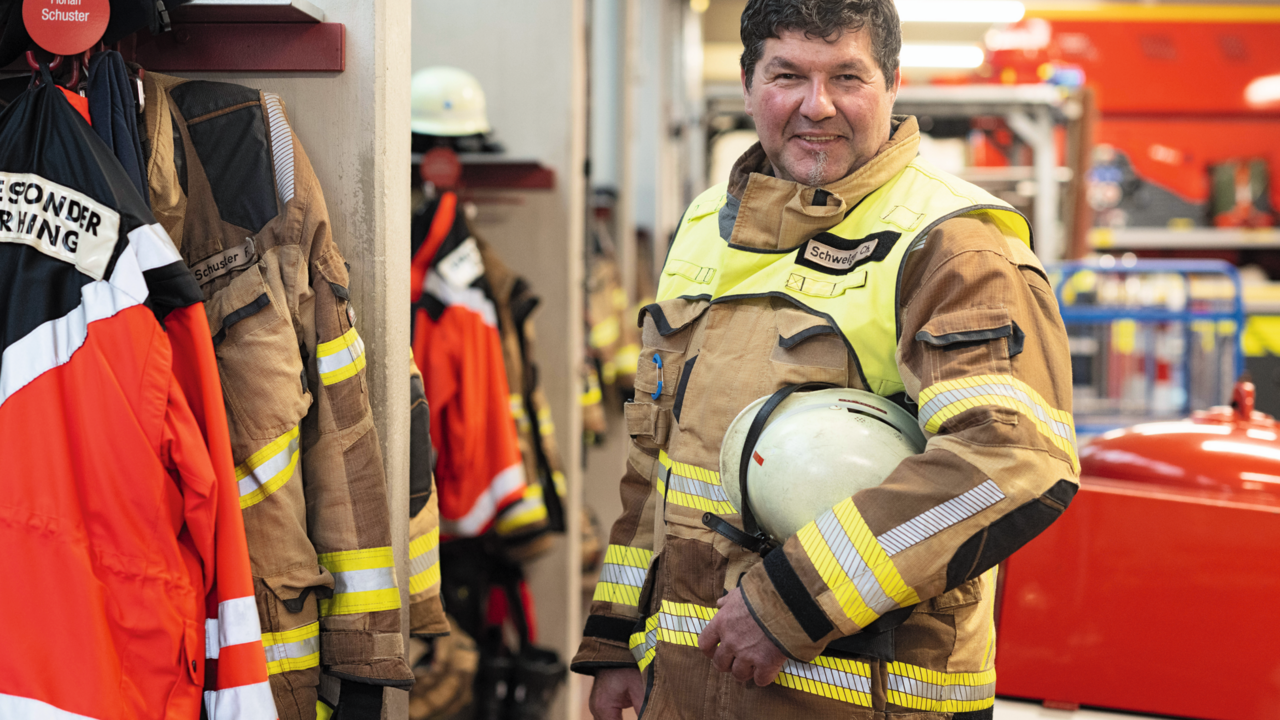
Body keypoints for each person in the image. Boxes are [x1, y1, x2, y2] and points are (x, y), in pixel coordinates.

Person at [571, 1, 1080, 718]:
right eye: (788, 76)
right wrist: (617, 636)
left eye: (848, 76)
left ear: (893, 85)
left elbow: (1011, 460)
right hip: (683, 689)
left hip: (859, 697)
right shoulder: (705, 227)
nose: (818, 106)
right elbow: (657, 462)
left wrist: (792, 603)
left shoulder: (953, 244)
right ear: (749, 85)